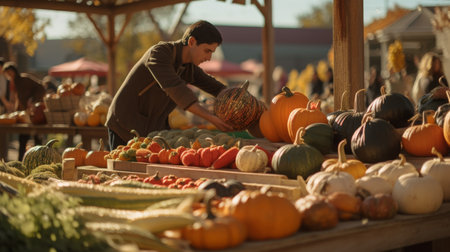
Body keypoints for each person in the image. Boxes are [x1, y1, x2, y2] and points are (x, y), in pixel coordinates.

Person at [106, 20, 233, 150]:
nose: (209, 58)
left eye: (212, 52)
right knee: (123, 168)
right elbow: (178, 91)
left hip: (151, 132)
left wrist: (237, 97)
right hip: (125, 125)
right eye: (207, 51)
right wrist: (212, 118)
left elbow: (217, 88)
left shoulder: (189, 67)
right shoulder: (159, 53)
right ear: (192, 42)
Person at [3, 62, 46, 161]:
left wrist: (33, 99)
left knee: (37, 138)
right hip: (24, 114)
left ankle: (39, 160)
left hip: (34, 112)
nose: (9, 75)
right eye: (7, 73)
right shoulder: (13, 83)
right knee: (23, 138)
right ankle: (21, 161)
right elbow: (18, 97)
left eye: (10, 72)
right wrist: (15, 110)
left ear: (14, 71)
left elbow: (41, 87)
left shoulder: (24, 79)